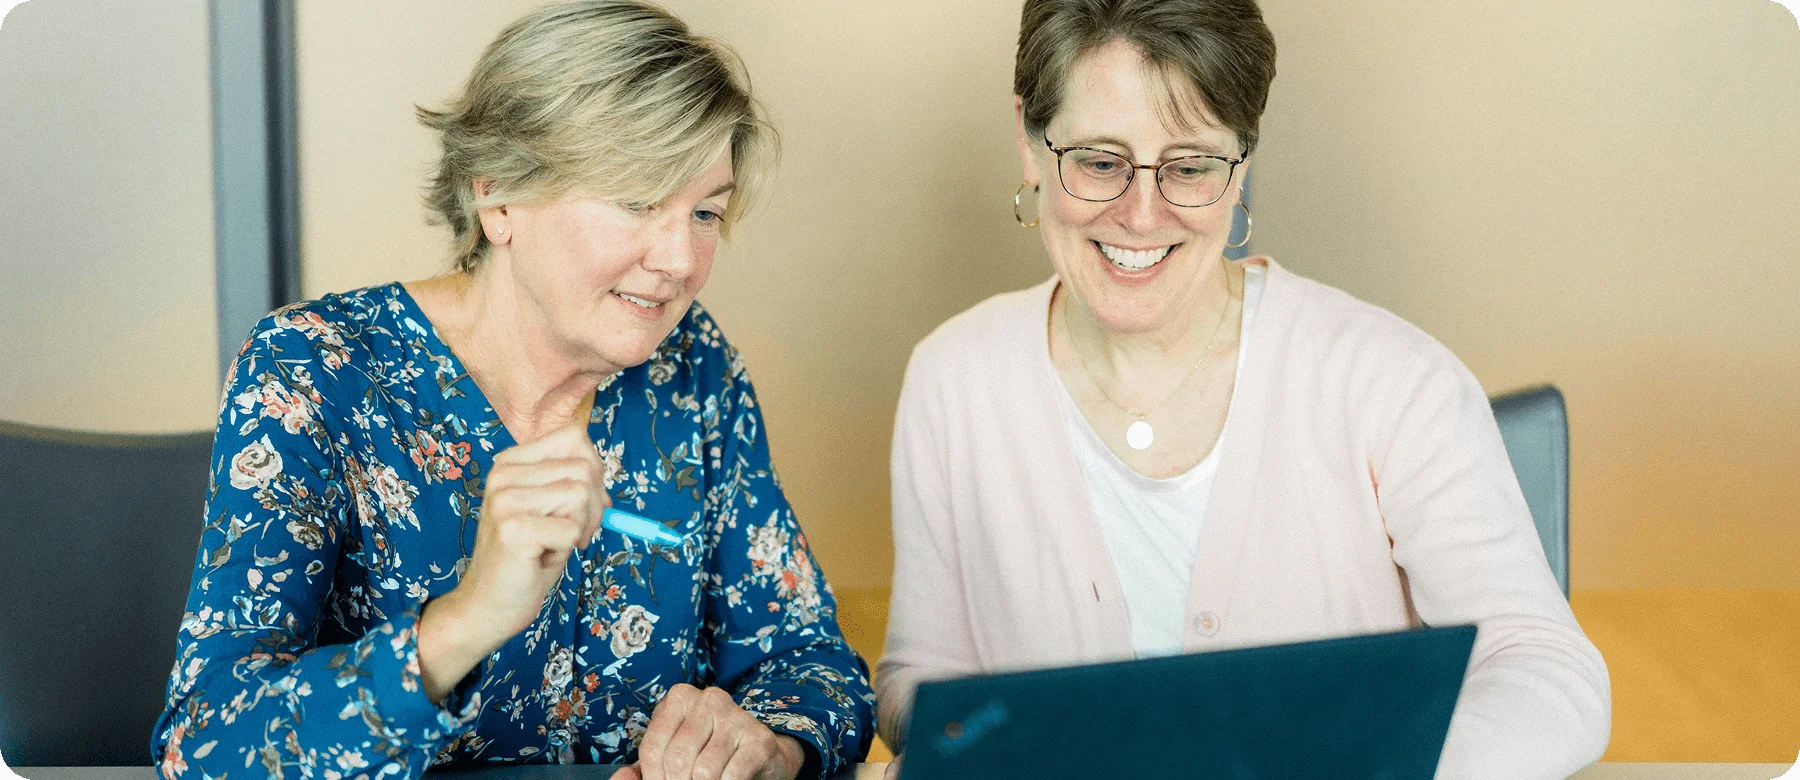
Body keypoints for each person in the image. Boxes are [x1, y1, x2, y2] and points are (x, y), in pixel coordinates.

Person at [877, 1, 1609, 777]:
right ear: (1029, 140)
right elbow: (920, 679)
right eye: (1098, 161)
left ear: (1243, 162)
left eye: (1190, 165)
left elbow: (1548, 669)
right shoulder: (951, 377)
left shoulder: (1390, 380)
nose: (1140, 214)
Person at [150, 3, 874, 778]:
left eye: (703, 212)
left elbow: (812, 661)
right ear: (496, 198)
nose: (679, 260)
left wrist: (771, 746)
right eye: (637, 200)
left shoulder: (690, 370)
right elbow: (206, 747)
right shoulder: (313, 371)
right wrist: (467, 618)